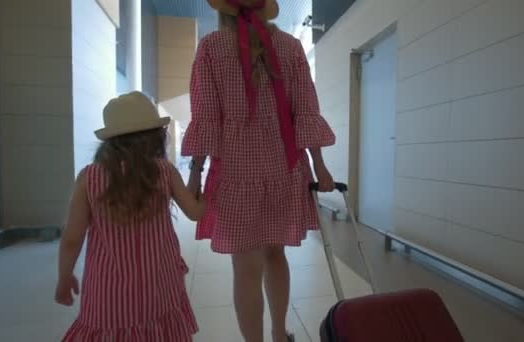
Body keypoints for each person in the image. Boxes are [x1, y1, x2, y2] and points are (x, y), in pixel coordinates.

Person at [182, 1, 336, 341]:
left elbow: (206, 117)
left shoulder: (210, 47)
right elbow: (305, 109)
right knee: (275, 253)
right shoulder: (291, 47)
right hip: (285, 166)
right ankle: (280, 335)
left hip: (236, 171)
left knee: (246, 266)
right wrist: (320, 166)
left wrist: (194, 175)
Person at [55, 91, 204, 341]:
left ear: (109, 142)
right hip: (159, 288)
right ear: (156, 137)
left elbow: (72, 238)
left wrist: (64, 276)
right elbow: (195, 211)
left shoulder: (89, 178)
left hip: (107, 297)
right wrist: (201, 175)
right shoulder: (164, 172)